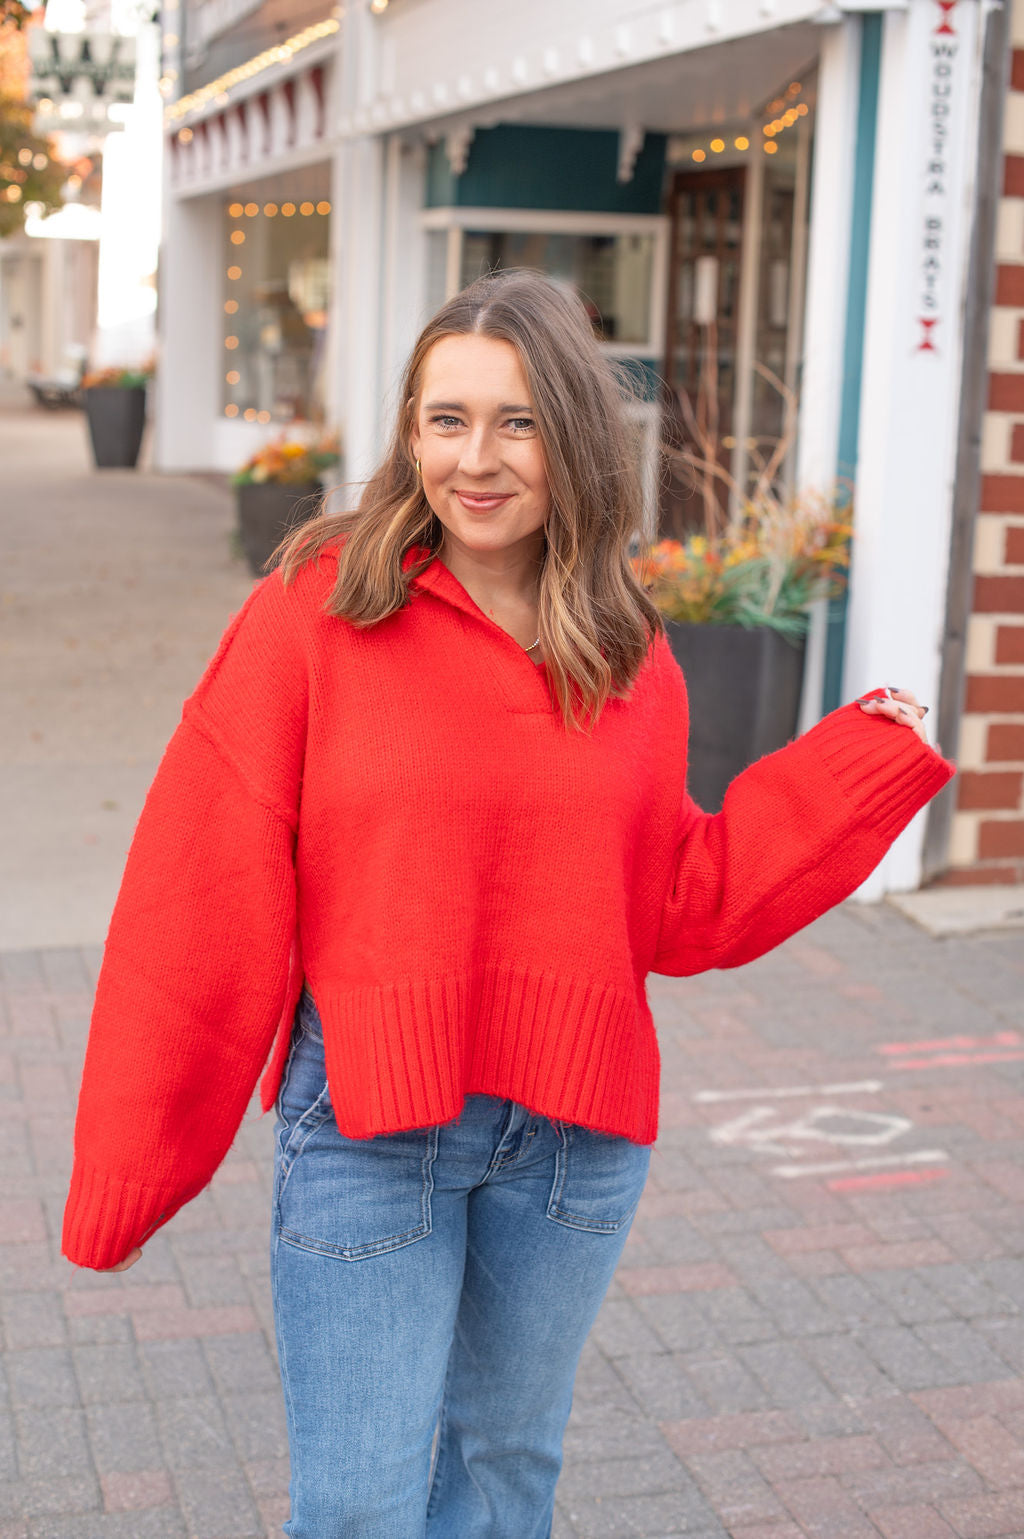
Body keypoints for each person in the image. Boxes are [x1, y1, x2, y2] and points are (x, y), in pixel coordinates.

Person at [63, 269, 952, 1538]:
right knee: (363, 1508)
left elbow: (680, 903)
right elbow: (199, 895)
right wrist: (132, 1168)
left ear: (575, 440)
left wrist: (858, 763)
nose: (475, 461)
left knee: (498, 1483)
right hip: (370, 1129)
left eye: (518, 422)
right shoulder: (315, 615)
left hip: (574, 1143)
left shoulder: (624, 648)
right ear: (409, 433)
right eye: (445, 420)